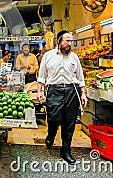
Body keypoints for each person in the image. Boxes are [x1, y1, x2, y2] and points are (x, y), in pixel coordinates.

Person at [36, 30, 88, 165]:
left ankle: (66, 150)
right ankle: (51, 135)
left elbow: (80, 77)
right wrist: (40, 91)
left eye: (71, 41)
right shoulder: (48, 56)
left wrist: (83, 93)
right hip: (54, 90)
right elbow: (42, 75)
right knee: (54, 118)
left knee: (69, 122)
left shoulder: (74, 57)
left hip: (72, 90)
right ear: (59, 41)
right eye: (67, 41)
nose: (69, 44)